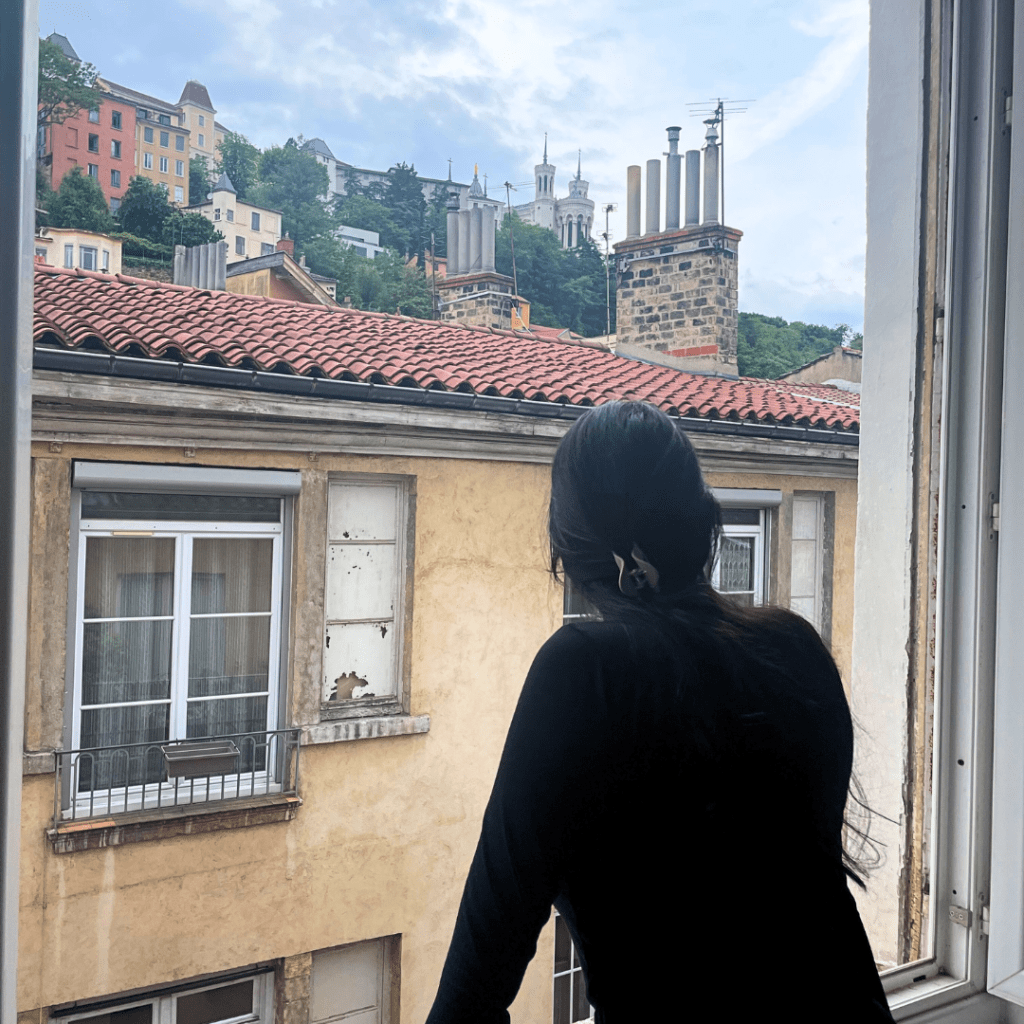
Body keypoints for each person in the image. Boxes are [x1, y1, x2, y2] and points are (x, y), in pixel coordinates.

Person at [425, 401, 894, 1024]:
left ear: (605, 558)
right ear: (703, 522)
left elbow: (475, 986)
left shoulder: (584, 673)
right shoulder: (794, 648)